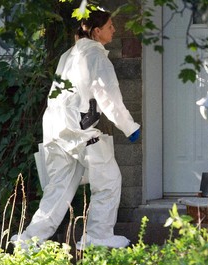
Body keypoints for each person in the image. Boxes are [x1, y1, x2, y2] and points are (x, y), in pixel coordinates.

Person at [11, 9, 140, 249]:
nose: (115, 30)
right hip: (80, 131)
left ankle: (29, 241)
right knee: (109, 180)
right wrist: (129, 126)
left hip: (56, 130)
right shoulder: (97, 57)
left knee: (58, 191)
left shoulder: (67, 55)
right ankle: (98, 236)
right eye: (110, 26)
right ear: (97, 31)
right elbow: (108, 97)